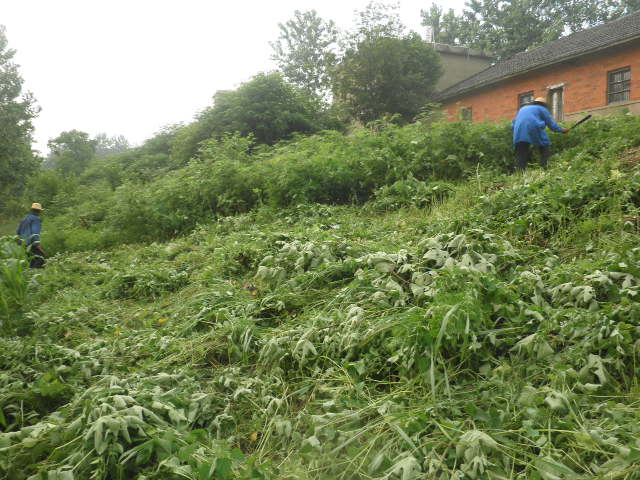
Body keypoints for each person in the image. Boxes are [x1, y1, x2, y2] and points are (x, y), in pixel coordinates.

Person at [512, 97, 569, 170]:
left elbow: (513, 124)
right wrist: (561, 130)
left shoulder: (522, 109)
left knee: (521, 151)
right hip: (533, 126)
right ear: (543, 104)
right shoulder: (542, 109)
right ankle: (544, 167)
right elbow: (550, 123)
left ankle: (519, 173)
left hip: (518, 130)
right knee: (545, 144)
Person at [16, 203, 46, 268]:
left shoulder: (24, 218)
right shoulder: (36, 219)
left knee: (31, 260)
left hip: (22, 244)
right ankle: (37, 275)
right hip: (31, 243)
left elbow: (18, 231)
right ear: (39, 211)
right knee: (41, 258)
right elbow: (35, 233)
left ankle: (31, 275)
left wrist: (18, 241)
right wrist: (38, 245)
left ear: (31, 210)